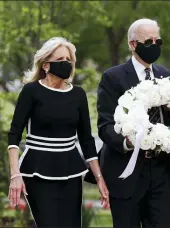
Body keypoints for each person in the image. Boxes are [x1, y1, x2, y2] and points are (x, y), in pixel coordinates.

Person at [91, 18, 170, 228]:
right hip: (126, 171)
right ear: (133, 44)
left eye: (158, 42)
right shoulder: (112, 77)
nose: (154, 46)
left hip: (161, 169)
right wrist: (128, 141)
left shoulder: (166, 75)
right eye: (148, 42)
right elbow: (105, 126)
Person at [7, 37, 109, 227]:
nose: (66, 64)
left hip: (70, 172)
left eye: (69, 60)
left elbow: (87, 140)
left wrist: (99, 178)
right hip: (36, 172)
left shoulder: (78, 95)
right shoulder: (31, 91)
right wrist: (15, 175)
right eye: (60, 60)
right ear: (46, 65)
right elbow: (14, 134)